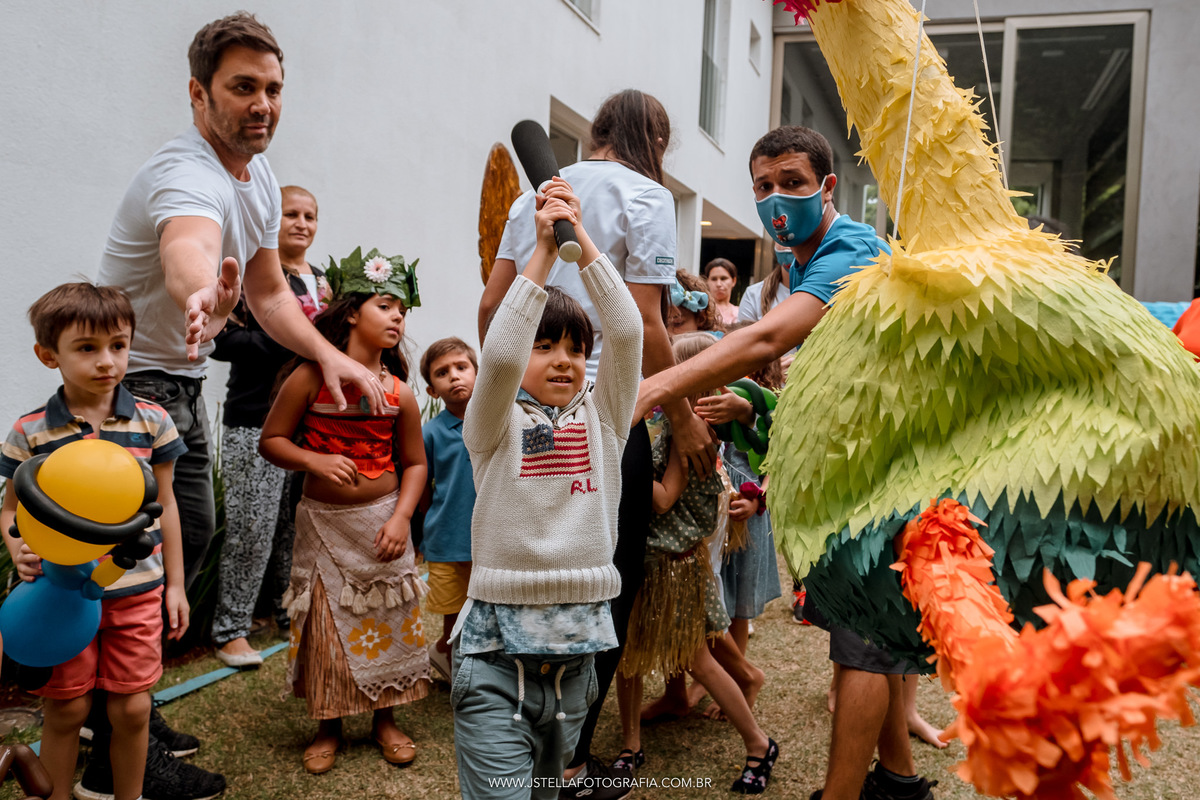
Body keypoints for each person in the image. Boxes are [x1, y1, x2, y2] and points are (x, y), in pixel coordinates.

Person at [636, 125, 937, 800]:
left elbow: (769, 338)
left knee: (861, 642)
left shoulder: (849, 247)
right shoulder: (799, 262)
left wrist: (658, 387)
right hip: (853, 470)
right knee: (874, 636)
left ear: (828, 187)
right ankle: (898, 780)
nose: (776, 201)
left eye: (792, 184)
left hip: (885, 475)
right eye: (763, 187)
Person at [96, 12, 385, 596]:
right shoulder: (185, 173)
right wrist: (203, 291)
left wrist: (329, 355)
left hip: (179, 379)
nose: (263, 105)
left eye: (273, 89)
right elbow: (189, 244)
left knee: (193, 533)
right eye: (243, 88)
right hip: (127, 380)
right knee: (130, 542)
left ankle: (129, 669)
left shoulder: (260, 179)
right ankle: (101, 674)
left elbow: (271, 292)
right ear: (198, 94)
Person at [455, 179, 642, 800]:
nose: (564, 360)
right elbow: (502, 359)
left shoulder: (605, 419)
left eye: (574, 348)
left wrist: (578, 234)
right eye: (546, 345)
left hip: (578, 661)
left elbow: (627, 332)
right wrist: (540, 249)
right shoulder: (492, 422)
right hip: (494, 660)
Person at [0, 283, 217, 800]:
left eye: (118, 345)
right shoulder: (30, 431)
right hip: (59, 594)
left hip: (137, 590)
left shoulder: (153, 421)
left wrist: (177, 587)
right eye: (87, 348)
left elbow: (166, 510)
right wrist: (16, 547)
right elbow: (11, 506)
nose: (107, 361)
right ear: (47, 354)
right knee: (68, 708)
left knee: (133, 706)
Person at [260, 248, 430, 774]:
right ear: (352, 312)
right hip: (324, 527)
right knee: (328, 623)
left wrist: (401, 517)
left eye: (402, 308)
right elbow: (272, 441)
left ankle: (386, 720)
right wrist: (313, 457)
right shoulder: (310, 377)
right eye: (386, 304)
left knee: (387, 617)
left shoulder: (400, 394)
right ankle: (328, 724)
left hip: (381, 523)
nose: (398, 316)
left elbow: (416, 464)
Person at [617, 332, 778, 795]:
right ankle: (630, 745)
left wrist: (615, 470)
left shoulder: (695, 435)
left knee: (697, 660)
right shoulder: (661, 425)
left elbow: (664, 499)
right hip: (642, 558)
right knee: (627, 655)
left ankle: (758, 743)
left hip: (673, 563)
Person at [209, 185, 329, 668]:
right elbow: (225, 341)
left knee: (291, 526)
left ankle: (285, 609)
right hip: (255, 419)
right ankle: (230, 629)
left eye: (309, 215)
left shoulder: (325, 280)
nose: (301, 223)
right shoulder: (255, 274)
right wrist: (293, 338)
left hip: (309, 418)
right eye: (290, 214)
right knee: (251, 528)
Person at [417, 337, 479, 680]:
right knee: (453, 610)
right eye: (443, 373)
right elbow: (423, 489)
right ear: (432, 390)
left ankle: (452, 656)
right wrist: (434, 524)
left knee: (483, 607)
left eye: (461, 367)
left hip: (487, 538)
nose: (454, 376)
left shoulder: (496, 422)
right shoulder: (431, 433)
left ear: (477, 373)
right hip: (446, 539)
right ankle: (451, 662)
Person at [667, 270, 722, 337]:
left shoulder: (717, 344)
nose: (668, 333)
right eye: (661, 325)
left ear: (701, 319)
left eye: (677, 324)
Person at [703, 258, 741, 327]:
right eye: (714, 279)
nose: (718, 284)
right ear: (707, 281)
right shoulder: (702, 311)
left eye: (723, 278)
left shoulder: (740, 312)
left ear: (733, 281)